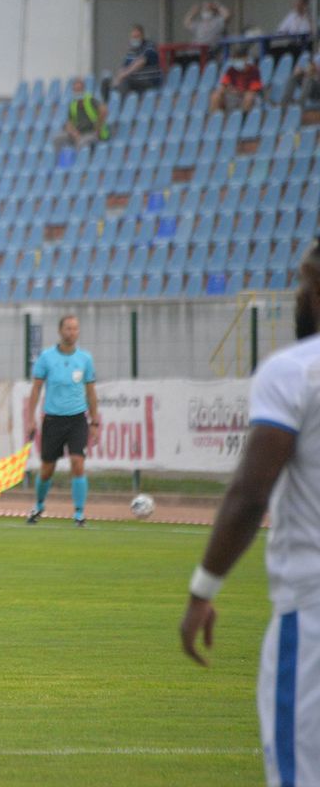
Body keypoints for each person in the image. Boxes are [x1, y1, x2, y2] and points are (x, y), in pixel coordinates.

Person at [180, 238, 320, 786]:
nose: (298, 295)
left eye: (304, 282)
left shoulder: (295, 371)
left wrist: (202, 591)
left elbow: (249, 493)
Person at [23, 315, 100, 527]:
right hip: (53, 420)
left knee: (78, 463)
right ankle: (38, 505)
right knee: (47, 468)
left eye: (75, 329)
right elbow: (36, 388)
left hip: (77, 419)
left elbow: (91, 392)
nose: (71, 332)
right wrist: (30, 419)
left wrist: (94, 422)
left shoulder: (85, 359)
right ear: (60, 331)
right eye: (68, 328)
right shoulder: (47, 357)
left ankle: (79, 513)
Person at [53, 77, 111, 150]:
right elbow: (69, 123)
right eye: (76, 90)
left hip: (92, 133)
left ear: (83, 90)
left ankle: (80, 160)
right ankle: (59, 160)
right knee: (57, 139)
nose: (78, 92)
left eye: (79, 90)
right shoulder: (73, 104)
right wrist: (74, 133)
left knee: (81, 143)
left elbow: (104, 110)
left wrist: (98, 127)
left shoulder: (90, 100)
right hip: (79, 133)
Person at [112, 24, 163, 98]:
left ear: (142, 36)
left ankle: (122, 106)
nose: (135, 39)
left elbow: (140, 62)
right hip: (136, 82)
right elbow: (123, 67)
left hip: (149, 82)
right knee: (114, 83)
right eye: (133, 37)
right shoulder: (131, 50)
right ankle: (110, 102)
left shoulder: (150, 46)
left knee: (126, 81)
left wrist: (123, 75)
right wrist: (118, 78)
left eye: (137, 37)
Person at [209, 47, 264, 114]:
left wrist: (239, 91)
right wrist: (228, 90)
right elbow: (223, 86)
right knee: (215, 95)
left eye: (239, 59)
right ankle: (216, 119)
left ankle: (243, 119)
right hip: (234, 96)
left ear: (245, 59)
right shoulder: (231, 70)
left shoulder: (254, 71)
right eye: (235, 60)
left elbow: (253, 90)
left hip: (248, 97)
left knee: (249, 97)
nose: (237, 62)